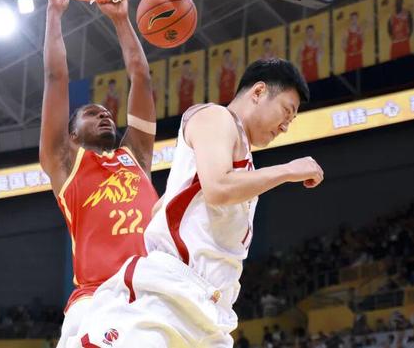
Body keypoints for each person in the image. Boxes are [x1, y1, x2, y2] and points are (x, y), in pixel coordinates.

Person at [67, 58, 324, 347]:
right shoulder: (215, 117)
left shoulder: (241, 158)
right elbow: (218, 187)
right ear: (258, 92)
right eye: (286, 111)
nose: (286, 126)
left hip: (212, 312)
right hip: (168, 297)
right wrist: (289, 170)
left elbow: (162, 207)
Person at [40, 0, 159, 348]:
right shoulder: (64, 162)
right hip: (95, 297)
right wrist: (54, 13)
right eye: (92, 113)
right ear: (72, 134)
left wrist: (122, 19)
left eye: (107, 113)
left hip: (150, 293)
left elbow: (141, 77)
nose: (105, 115)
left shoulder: (136, 155)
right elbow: (56, 79)